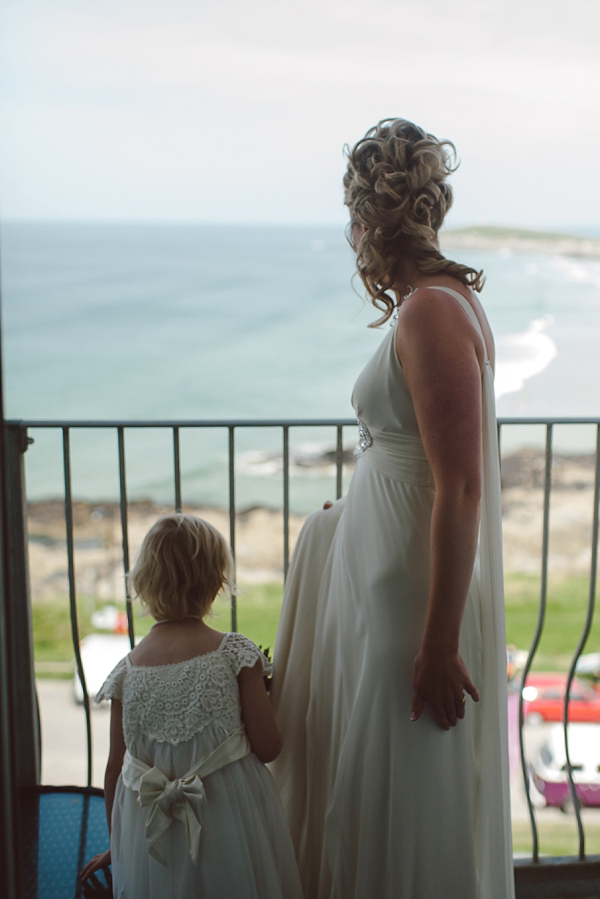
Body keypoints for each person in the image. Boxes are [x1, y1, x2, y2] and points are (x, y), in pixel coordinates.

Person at [270, 119, 515, 899]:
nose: (353, 236)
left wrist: (439, 644)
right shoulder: (437, 302)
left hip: (414, 605)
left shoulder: (431, 312)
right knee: (382, 795)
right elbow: (414, 455)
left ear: (372, 218)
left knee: (404, 802)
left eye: (355, 217)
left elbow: (462, 484)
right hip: (396, 587)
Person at [80, 513, 302, 899]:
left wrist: (119, 846)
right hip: (231, 825)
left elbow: (116, 769)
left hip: (151, 838)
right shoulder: (236, 654)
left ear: (142, 584)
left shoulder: (125, 673)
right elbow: (269, 747)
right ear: (217, 582)